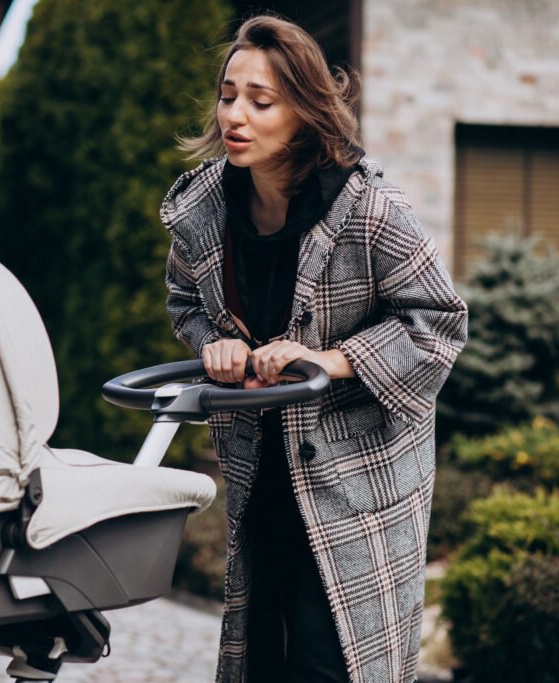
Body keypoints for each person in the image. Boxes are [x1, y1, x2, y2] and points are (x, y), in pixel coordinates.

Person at [161, 15, 468, 683]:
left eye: (261, 101)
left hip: (361, 475)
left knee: (333, 664)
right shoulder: (201, 209)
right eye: (228, 94)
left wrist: (332, 358)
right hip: (261, 460)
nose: (236, 114)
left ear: (302, 112)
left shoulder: (369, 209)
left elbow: (439, 320)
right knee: (263, 658)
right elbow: (184, 299)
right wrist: (213, 342)